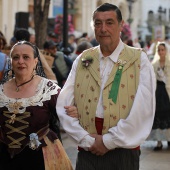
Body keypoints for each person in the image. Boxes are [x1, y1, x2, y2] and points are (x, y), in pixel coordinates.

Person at [56, 3, 156, 170]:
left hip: (123, 150)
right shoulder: (83, 58)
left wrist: (108, 141)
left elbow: (143, 109)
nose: (103, 29)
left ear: (121, 25)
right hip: (89, 149)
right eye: (98, 23)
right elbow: (64, 105)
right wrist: (87, 140)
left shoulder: (139, 60)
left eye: (109, 22)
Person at [0, 41, 77, 170]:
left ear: (36, 61)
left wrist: (74, 111)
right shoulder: (1, 90)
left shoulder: (47, 89)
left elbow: (66, 114)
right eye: (16, 57)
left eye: (26, 57)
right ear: (11, 61)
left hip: (40, 156)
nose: (20, 61)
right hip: (4, 157)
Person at [147, 42, 170, 150]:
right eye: (159, 50)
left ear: (166, 51)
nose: (161, 52)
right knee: (158, 115)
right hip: (158, 92)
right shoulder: (154, 64)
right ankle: (159, 142)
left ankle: (168, 139)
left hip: (168, 92)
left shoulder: (169, 63)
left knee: (168, 115)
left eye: (162, 50)